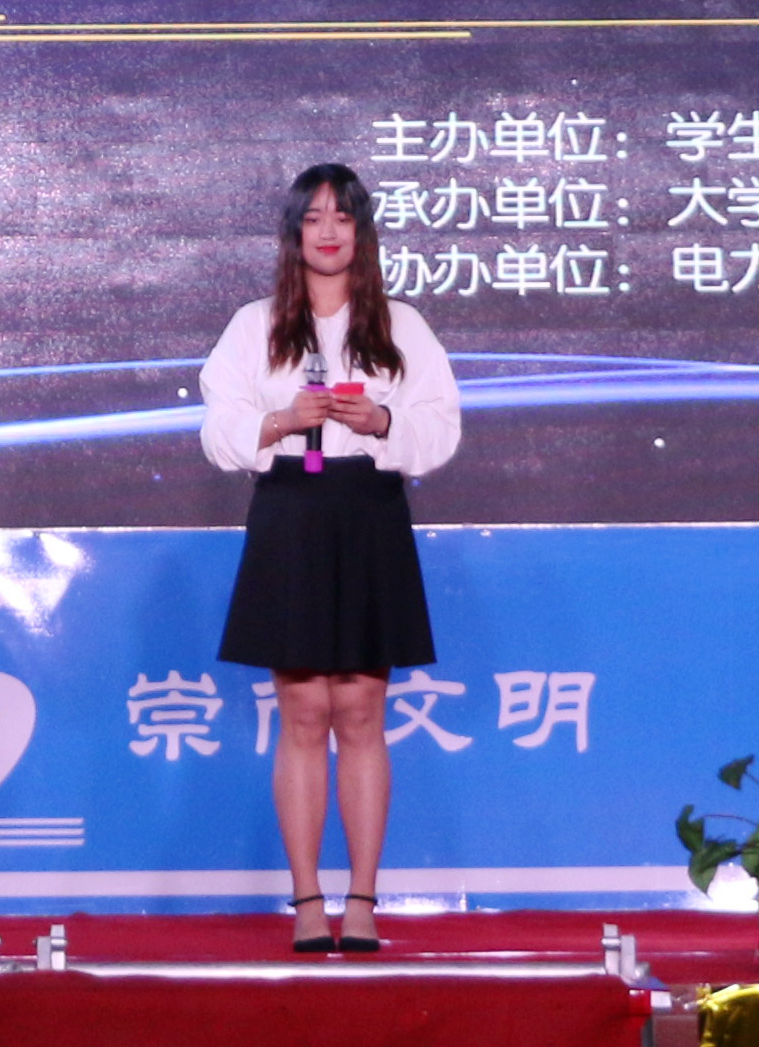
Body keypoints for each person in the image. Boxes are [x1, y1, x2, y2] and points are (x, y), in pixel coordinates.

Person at [199, 163, 462, 955]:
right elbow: (219, 430)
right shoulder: (254, 324)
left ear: (362, 231)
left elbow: (442, 426)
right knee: (304, 711)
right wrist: (283, 420)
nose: (327, 230)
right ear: (293, 231)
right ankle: (308, 900)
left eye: (342, 216)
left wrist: (381, 421)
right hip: (290, 511)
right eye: (313, 217)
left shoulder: (401, 324)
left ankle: (364, 901)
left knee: (361, 710)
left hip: (368, 511)